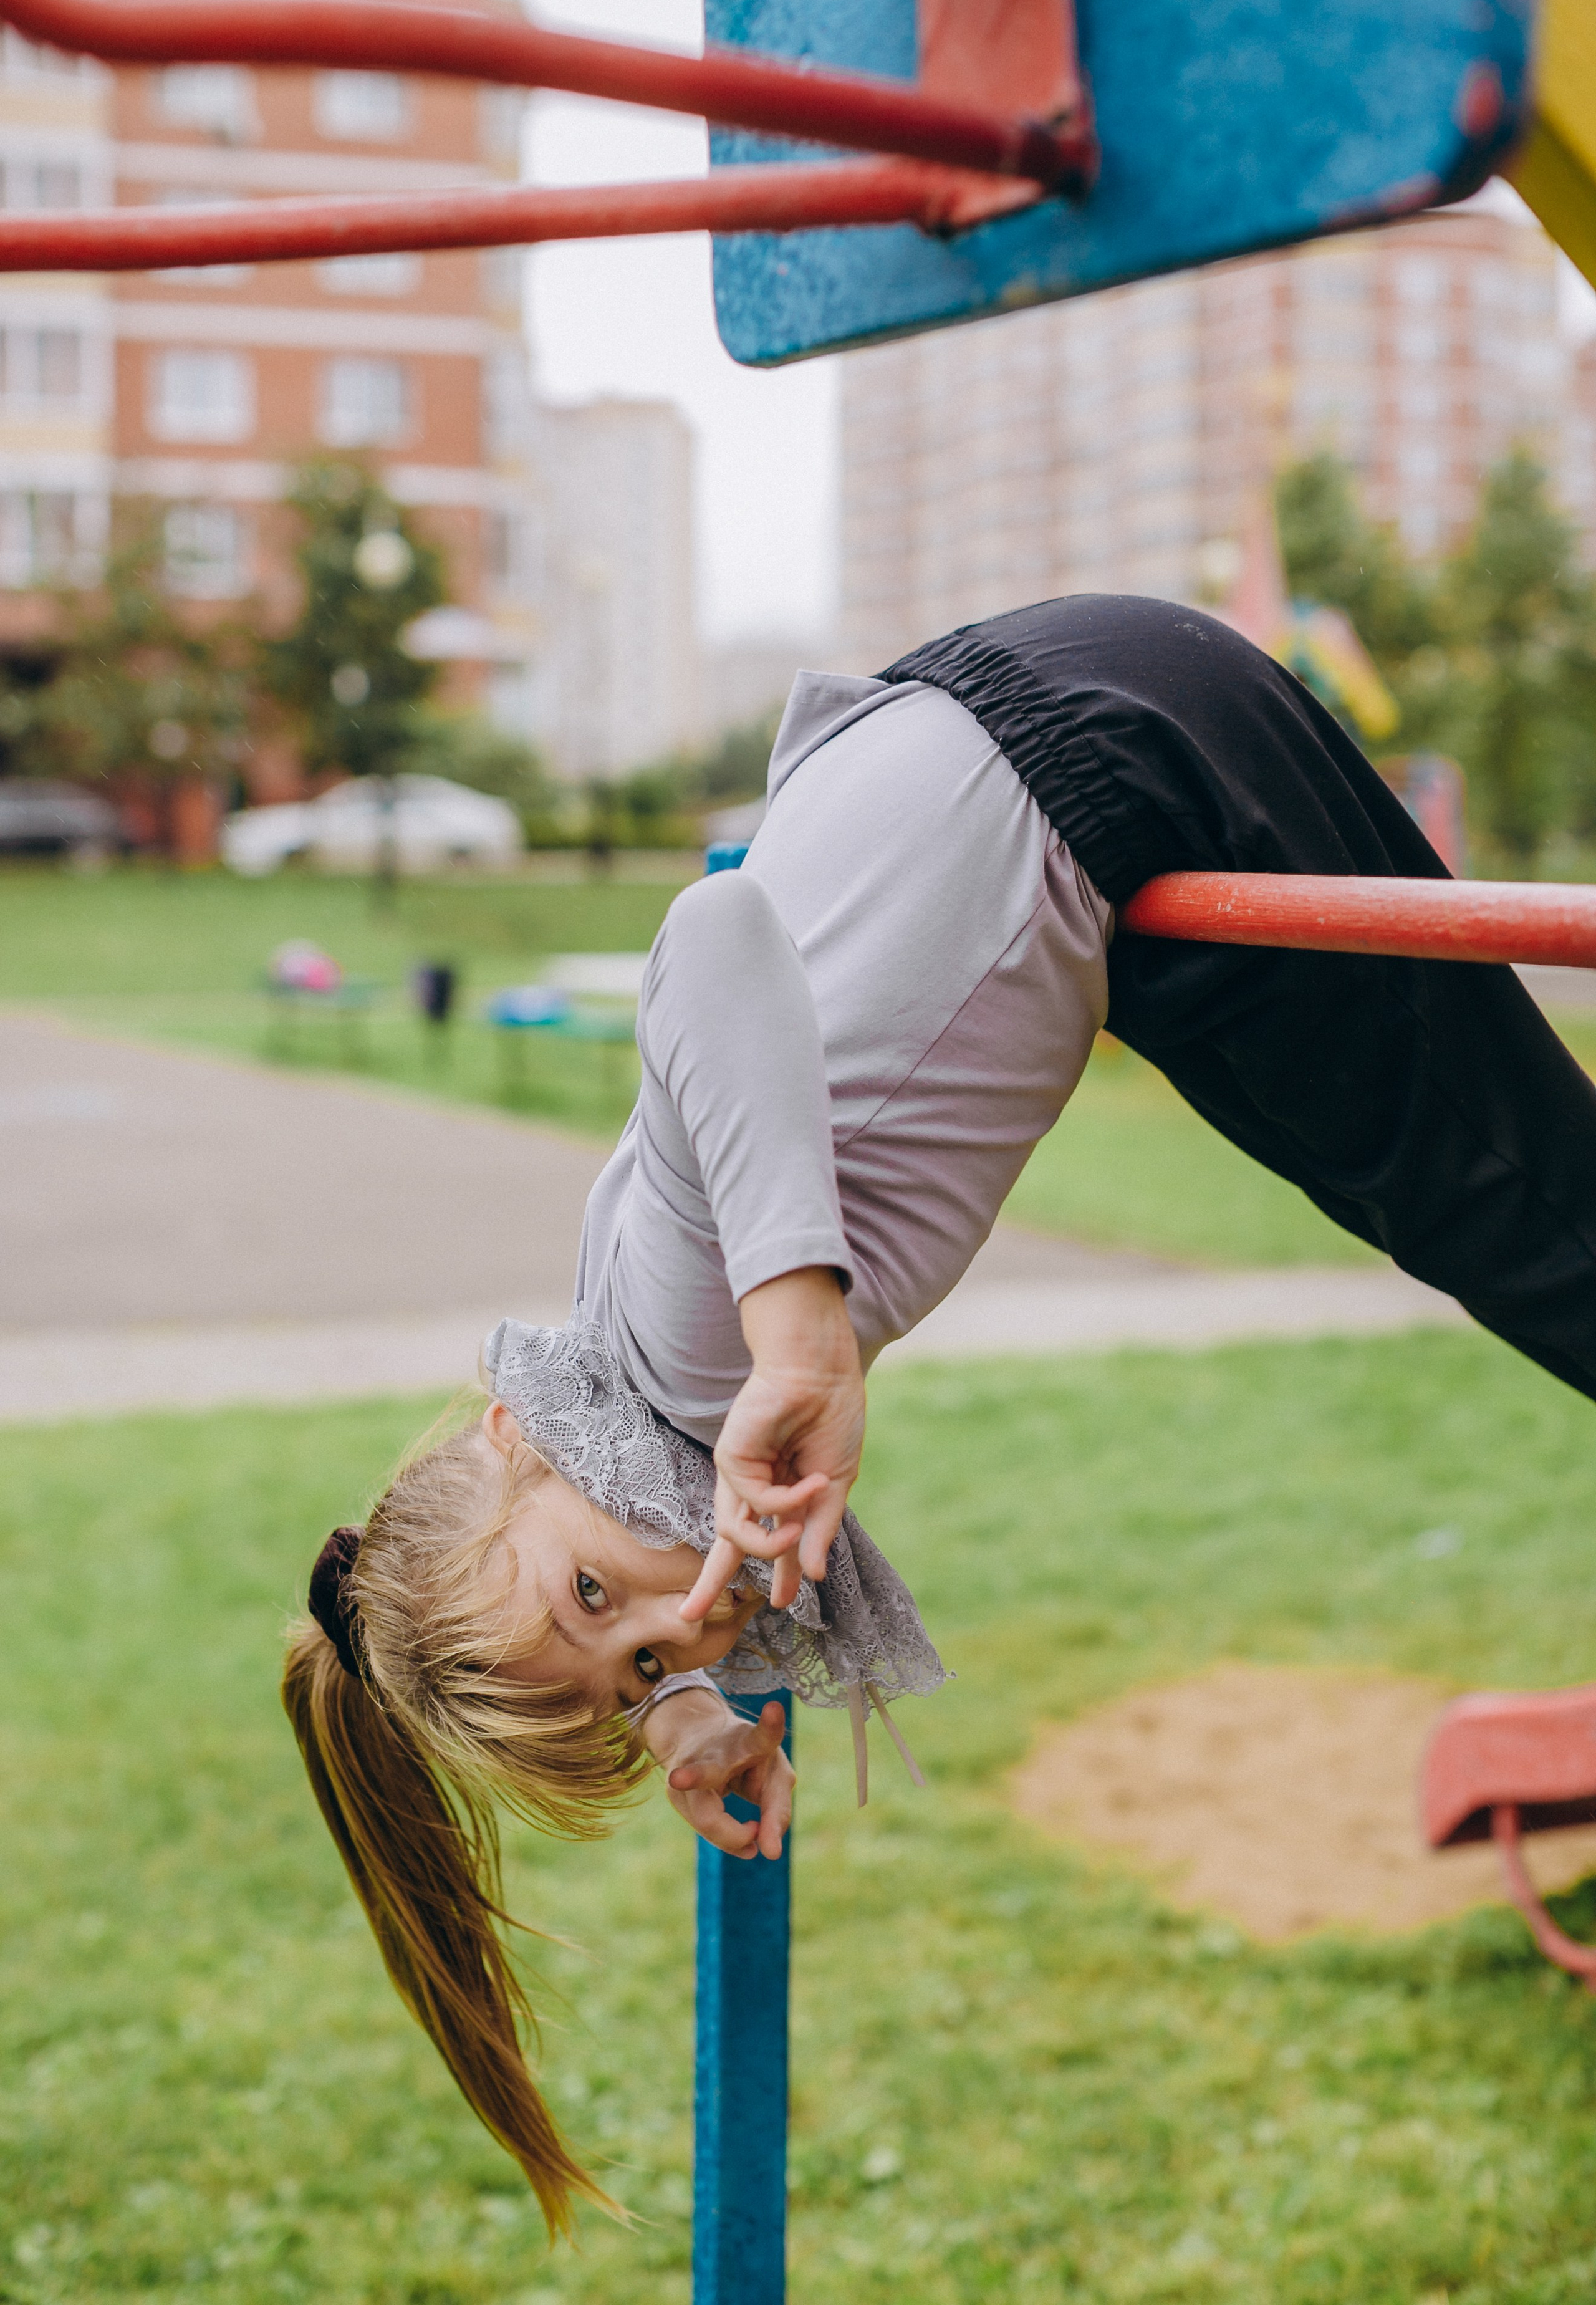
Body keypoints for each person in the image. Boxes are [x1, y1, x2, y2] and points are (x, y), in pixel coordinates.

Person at [282, 593, 1596, 2233]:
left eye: (597, 1598)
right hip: (1033, 744)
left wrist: (801, 1319)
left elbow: (712, 938)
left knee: (1530, 1219)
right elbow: (661, 1582)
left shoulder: (703, 1353)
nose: (685, 1615)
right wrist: (685, 1711)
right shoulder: (609, 1375)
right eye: (634, 1677)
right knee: (1488, 1194)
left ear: (507, 1439)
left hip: (1087, 766)